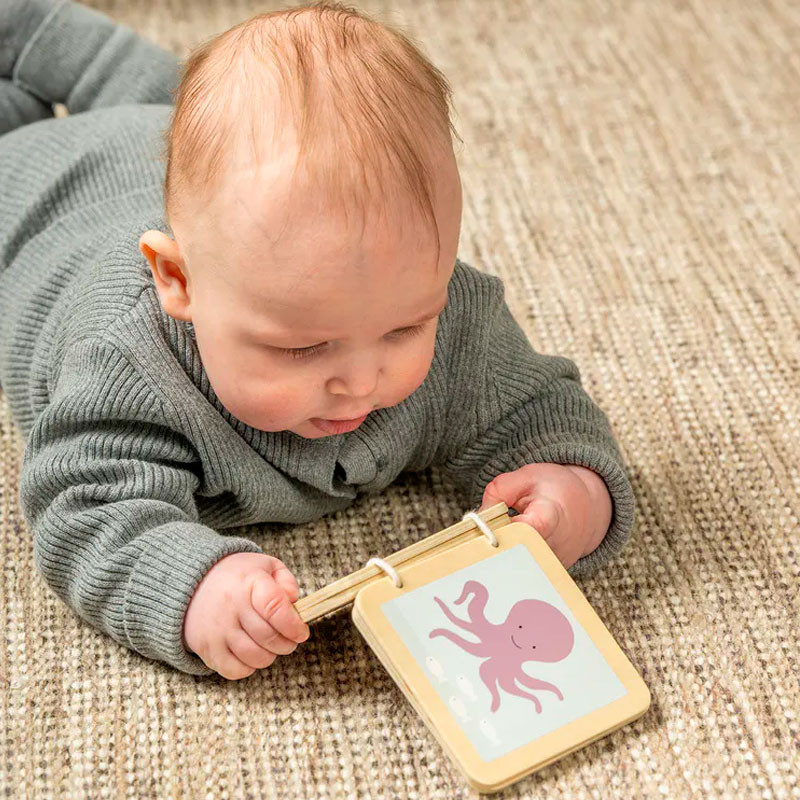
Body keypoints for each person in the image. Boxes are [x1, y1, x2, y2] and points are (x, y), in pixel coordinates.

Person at [0, 0, 635, 679]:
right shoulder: (124, 363)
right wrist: (190, 587)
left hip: (158, 147)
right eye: (302, 348)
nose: (362, 382)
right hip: (35, 199)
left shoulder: (452, 315)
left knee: (166, 110)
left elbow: (537, 409)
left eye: (403, 327)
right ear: (179, 282)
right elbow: (84, 505)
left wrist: (574, 491)